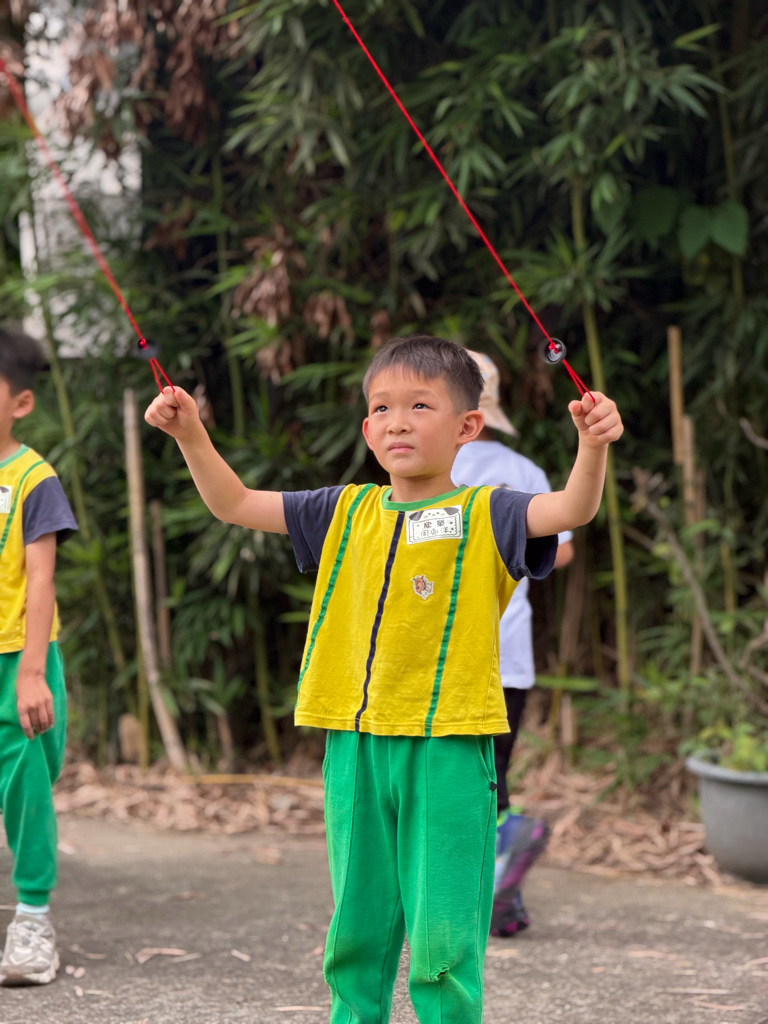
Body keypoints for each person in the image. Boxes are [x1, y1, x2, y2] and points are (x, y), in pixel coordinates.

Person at [145, 333, 623, 1023]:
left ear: (468, 426)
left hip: (448, 743)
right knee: (356, 934)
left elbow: (572, 510)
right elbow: (236, 503)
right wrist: (190, 434)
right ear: (368, 429)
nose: (398, 421)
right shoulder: (341, 510)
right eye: (382, 408)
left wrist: (593, 444)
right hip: (354, 742)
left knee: (443, 939)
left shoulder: (491, 510)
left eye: (420, 405)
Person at [453, 350, 574, 937]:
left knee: (443, 777)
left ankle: (474, 891)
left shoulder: (418, 470)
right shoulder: (522, 471)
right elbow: (562, 549)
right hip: (507, 651)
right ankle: (502, 872)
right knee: (492, 772)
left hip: (439, 655)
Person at [0, 327, 78, 987]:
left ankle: (32, 917)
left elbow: (41, 579)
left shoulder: (34, 478)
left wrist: (30, 673)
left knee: (27, 783)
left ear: (21, 403)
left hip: (17, 658)